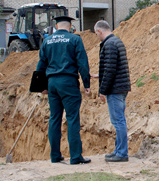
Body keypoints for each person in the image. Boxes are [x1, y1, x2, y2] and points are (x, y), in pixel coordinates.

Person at [36, 16, 92, 164]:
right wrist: (87, 84)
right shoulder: (75, 40)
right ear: (70, 26)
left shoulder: (47, 41)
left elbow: (41, 64)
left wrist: (41, 86)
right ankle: (75, 157)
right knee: (72, 118)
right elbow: (82, 63)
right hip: (68, 82)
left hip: (52, 83)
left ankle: (55, 156)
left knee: (55, 118)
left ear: (56, 26)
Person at [92, 20, 131, 162]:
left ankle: (121, 153)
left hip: (115, 89)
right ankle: (118, 150)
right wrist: (99, 75)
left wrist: (102, 90)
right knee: (119, 120)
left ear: (100, 31)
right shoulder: (116, 42)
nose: (97, 36)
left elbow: (110, 70)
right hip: (120, 86)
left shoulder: (109, 44)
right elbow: (112, 66)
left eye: (97, 34)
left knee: (118, 121)